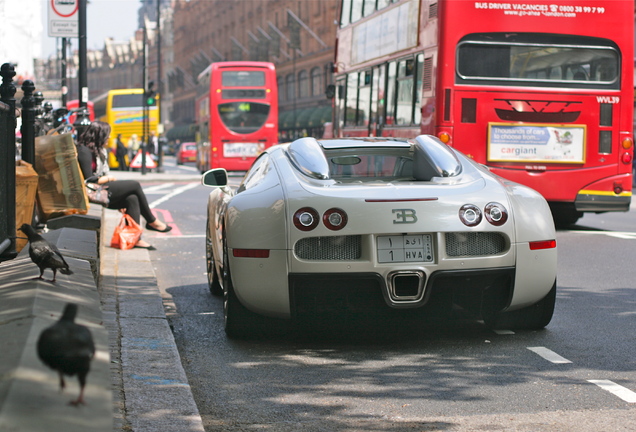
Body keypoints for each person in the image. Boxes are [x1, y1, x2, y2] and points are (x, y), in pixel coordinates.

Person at [76, 121, 172, 250]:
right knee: (135, 185)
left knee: (131, 198)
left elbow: (103, 174)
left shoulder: (101, 151)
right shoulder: (84, 151)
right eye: (107, 134)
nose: (109, 137)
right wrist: (108, 178)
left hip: (101, 189)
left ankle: (135, 238)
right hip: (91, 192)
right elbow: (89, 180)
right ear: (99, 135)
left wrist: (117, 191)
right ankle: (151, 220)